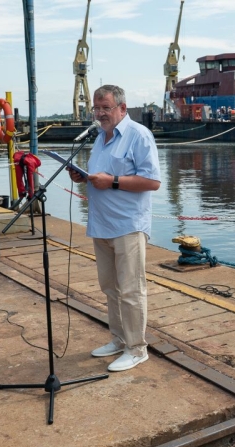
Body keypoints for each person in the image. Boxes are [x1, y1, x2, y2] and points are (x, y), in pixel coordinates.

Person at [68, 85, 161, 372]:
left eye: (106, 108)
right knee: (110, 288)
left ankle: (137, 348)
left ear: (122, 107)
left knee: (132, 290)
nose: (100, 113)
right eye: (96, 108)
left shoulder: (139, 136)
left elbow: (153, 181)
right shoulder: (100, 138)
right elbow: (101, 177)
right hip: (102, 224)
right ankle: (119, 340)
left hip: (127, 226)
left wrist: (113, 181)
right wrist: (82, 178)